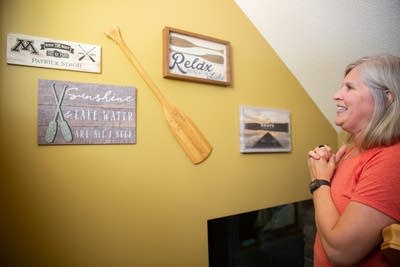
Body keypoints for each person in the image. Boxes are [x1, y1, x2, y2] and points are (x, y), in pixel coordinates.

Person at [307, 55, 400, 267]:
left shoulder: (392, 160)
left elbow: (341, 253)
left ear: (386, 98)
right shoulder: (350, 150)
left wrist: (319, 182)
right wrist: (327, 174)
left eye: (349, 87)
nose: (336, 95)